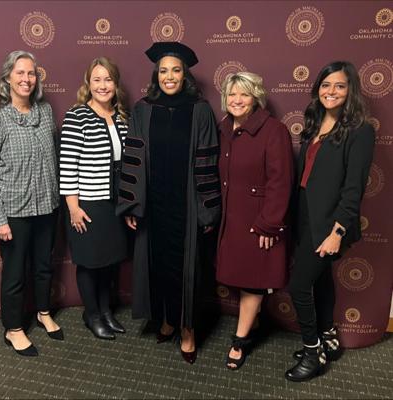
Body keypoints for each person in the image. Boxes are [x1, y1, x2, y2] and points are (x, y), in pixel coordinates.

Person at [117, 42, 221, 364]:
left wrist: (206, 210)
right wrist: (133, 204)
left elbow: (207, 162)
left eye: (176, 70)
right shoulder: (144, 109)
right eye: (163, 71)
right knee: (157, 264)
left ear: (185, 74)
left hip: (186, 206)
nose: (169, 76)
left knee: (187, 270)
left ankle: (187, 329)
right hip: (153, 205)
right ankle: (166, 319)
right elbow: (133, 158)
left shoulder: (200, 110)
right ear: (156, 75)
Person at [285, 61, 375, 381]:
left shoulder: (360, 130)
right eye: (326, 85)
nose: (331, 91)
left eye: (339, 86)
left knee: (299, 285)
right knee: (321, 279)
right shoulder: (313, 123)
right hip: (304, 213)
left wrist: (337, 231)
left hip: (329, 221)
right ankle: (329, 338)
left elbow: (353, 189)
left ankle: (313, 353)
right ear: (318, 89)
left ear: (351, 91)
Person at [0, 50, 63, 357]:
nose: (27, 79)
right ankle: (13, 329)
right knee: (15, 273)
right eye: (20, 73)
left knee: (43, 266)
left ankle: (43, 312)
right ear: (7, 78)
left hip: (47, 206)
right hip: (13, 211)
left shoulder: (45, 112)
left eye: (31, 73)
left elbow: (53, 157)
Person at [216, 72, 294, 370]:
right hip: (230, 217)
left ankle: (240, 340)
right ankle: (254, 320)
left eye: (244, 94)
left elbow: (281, 182)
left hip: (257, 220)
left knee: (253, 281)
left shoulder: (274, 130)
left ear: (256, 98)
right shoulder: (223, 127)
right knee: (242, 275)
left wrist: (269, 223)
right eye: (232, 94)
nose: (237, 100)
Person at [59, 57, 128, 340]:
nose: (103, 85)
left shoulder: (122, 117)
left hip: (115, 203)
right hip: (88, 203)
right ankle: (92, 314)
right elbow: (67, 165)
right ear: (88, 83)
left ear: (116, 83)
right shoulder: (77, 116)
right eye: (97, 79)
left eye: (108, 79)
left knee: (109, 261)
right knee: (90, 262)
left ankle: (106, 310)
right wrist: (73, 208)